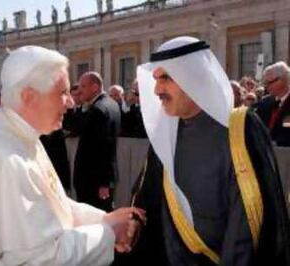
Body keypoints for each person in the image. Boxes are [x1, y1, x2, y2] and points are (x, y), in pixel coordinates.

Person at [0, 46, 144, 266]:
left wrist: (105, 219)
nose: (71, 102)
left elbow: (56, 205)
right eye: (62, 93)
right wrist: (109, 232)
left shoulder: (19, 133)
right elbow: (41, 257)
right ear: (29, 96)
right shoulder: (1, 156)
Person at [123, 36, 290, 265]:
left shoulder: (241, 127)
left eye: (166, 78)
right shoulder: (166, 133)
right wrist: (136, 220)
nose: (157, 89)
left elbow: (249, 219)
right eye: (155, 79)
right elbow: (146, 193)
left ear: (194, 78)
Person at [74, 71, 121, 211]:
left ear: (95, 87)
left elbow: (104, 147)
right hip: (101, 179)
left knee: (94, 221)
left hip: (93, 181)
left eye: (83, 86)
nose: (79, 91)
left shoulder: (98, 110)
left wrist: (104, 183)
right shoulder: (112, 104)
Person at [255, 61, 290, 146]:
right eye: (265, 83)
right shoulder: (264, 103)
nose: (266, 86)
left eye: (269, 82)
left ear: (283, 79)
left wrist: (274, 143)